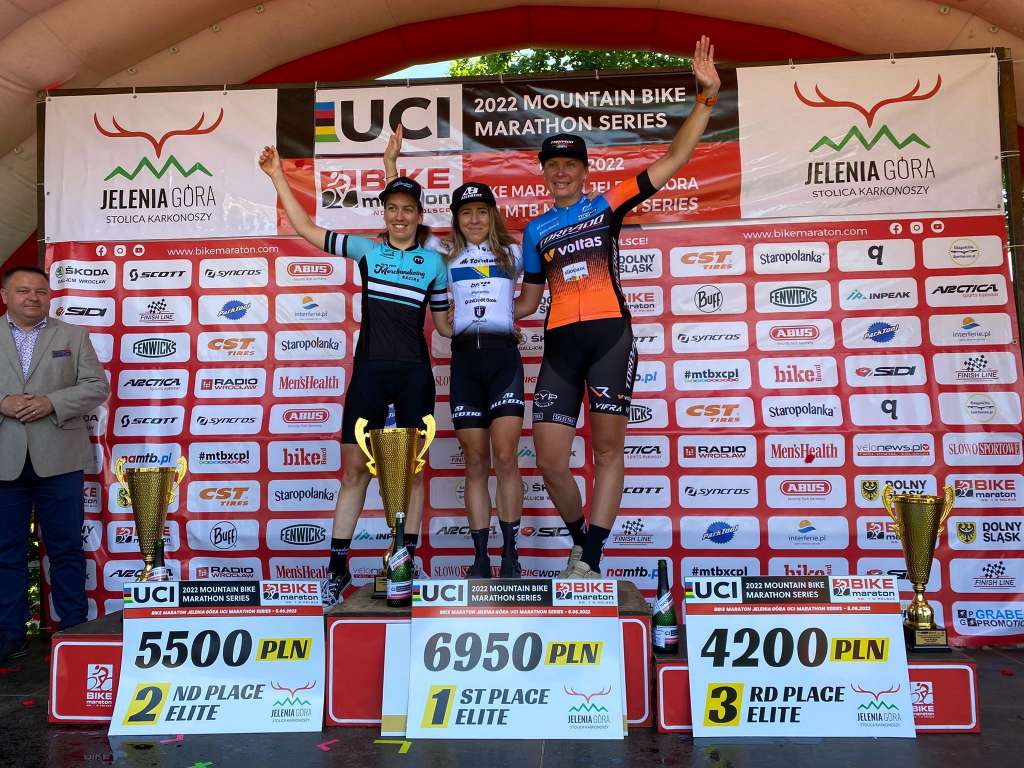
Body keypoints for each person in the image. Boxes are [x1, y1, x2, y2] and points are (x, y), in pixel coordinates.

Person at [516, 36, 721, 578]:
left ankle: (590, 558)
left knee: (607, 451)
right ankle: (581, 539)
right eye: (553, 165)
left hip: (609, 338)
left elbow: (674, 158)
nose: (561, 172)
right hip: (560, 344)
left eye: (569, 165)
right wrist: (483, 313)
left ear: (584, 171)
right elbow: (529, 301)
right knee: (550, 461)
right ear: (544, 173)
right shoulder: (535, 230)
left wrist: (706, 98)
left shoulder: (607, 205)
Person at [259, 146, 451, 610]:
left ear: (419, 215)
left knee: (413, 473)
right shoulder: (367, 251)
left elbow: (446, 326)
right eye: (392, 209)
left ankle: (405, 561)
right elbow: (306, 229)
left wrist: (493, 322)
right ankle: (337, 570)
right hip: (369, 373)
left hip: (414, 376)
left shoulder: (434, 264)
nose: (400, 216)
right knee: (354, 471)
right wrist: (278, 177)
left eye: (408, 209)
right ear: (384, 214)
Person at [385, 128, 529, 578]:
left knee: (506, 457)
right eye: (466, 213)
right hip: (465, 363)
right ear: (457, 219)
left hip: (504, 362)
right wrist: (391, 166)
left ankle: (510, 554)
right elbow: (402, 219)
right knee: (476, 461)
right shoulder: (443, 253)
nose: (474, 219)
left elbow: (532, 297)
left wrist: (512, 317)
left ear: (492, 215)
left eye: (481, 211)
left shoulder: (514, 253)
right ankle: (481, 557)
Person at [0, 265, 109, 661]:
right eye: (24, 290)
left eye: (41, 291)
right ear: (5, 296)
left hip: (60, 460)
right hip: (4, 461)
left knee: (65, 548)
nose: (33, 297)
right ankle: (10, 636)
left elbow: (97, 386)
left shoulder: (73, 335)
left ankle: (74, 630)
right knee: (6, 552)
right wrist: (2, 403)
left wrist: (52, 402)